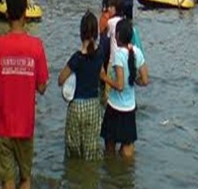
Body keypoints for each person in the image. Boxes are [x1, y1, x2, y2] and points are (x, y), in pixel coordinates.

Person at [0, 0, 49, 189]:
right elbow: (42, 87)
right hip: (25, 124)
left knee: (7, 185)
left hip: (3, 123)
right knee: (26, 180)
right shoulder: (36, 47)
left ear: (7, 14)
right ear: (25, 14)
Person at [58, 12, 104, 161]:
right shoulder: (100, 54)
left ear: (81, 33)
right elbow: (101, 74)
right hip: (93, 106)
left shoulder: (76, 58)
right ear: (96, 33)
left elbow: (60, 80)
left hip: (76, 106)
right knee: (91, 152)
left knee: (73, 153)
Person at [100, 18, 149, 158]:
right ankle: (126, 177)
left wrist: (105, 78)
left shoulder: (118, 55)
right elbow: (145, 80)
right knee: (128, 152)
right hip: (130, 109)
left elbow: (120, 86)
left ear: (118, 36)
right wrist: (133, 80)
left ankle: (112, 176)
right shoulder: (137, 52)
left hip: (115, 107)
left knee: (109, 149)